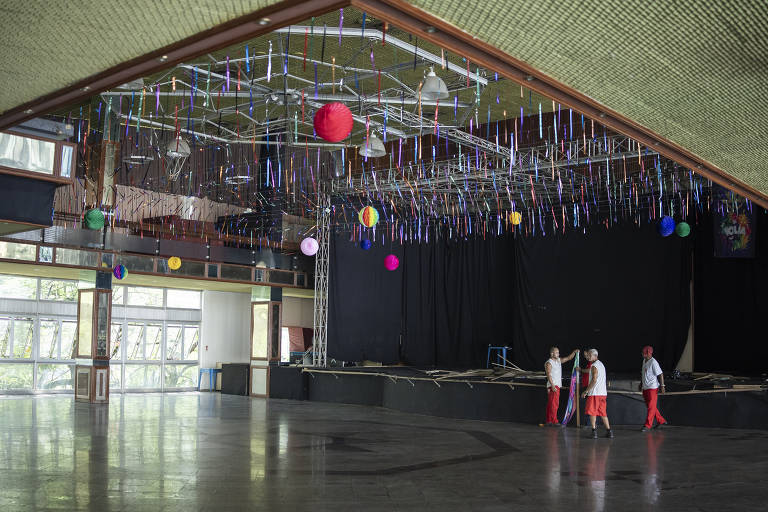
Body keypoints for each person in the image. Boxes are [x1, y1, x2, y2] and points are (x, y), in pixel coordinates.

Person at [580, 349, 613, 438]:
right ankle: (609, 431)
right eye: (588, 355)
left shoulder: (594, 365)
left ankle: (594, 432)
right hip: (602, 393)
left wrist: (586, 391)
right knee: (603, 413)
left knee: (592, 412)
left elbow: (594, 380)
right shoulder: (601, 364)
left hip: (595, 393)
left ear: (595, 356)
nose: (588, 357)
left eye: (590, 355)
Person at [544, 347, 579, 426]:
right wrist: (552, 386)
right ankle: (554, 421)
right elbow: (548, 375)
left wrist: (574, 352)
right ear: (552, 353)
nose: (558, 354)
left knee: (551, 404)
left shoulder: (558, 360)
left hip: (556, 386)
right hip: (553, 386)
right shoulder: (549, 363)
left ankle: (549, 420)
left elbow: (569, 358)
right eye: (556, 352)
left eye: (558, 352)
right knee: (554, 404)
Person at [639, 345, 667, 432]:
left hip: (652, 388)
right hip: (645, 387)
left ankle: (647, 425)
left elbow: (660, 374)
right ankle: (661, 420)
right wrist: (641, 383)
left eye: (645, 353)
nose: (643, 355)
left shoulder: (653, 362)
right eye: (643, 353)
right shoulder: (644, 361)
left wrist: (662, 386)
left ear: (649, 353)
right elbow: (644, 373)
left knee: (651, 407)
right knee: (650, 407)